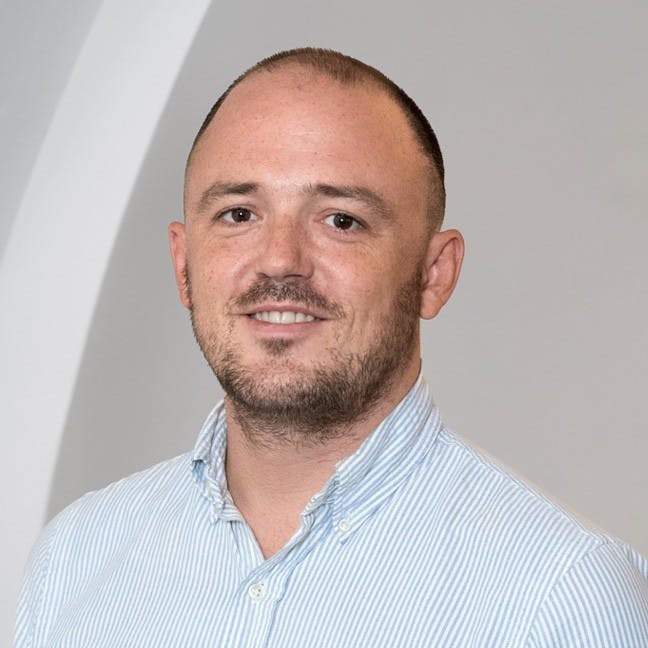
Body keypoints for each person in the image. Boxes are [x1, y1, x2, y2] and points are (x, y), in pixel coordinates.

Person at [15, 48, 648, 647]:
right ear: (184, 264)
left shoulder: (565, 595)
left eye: (341, 220)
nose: (280, 259)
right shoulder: (75, 559)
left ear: (434, 274)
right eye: (239, 214)